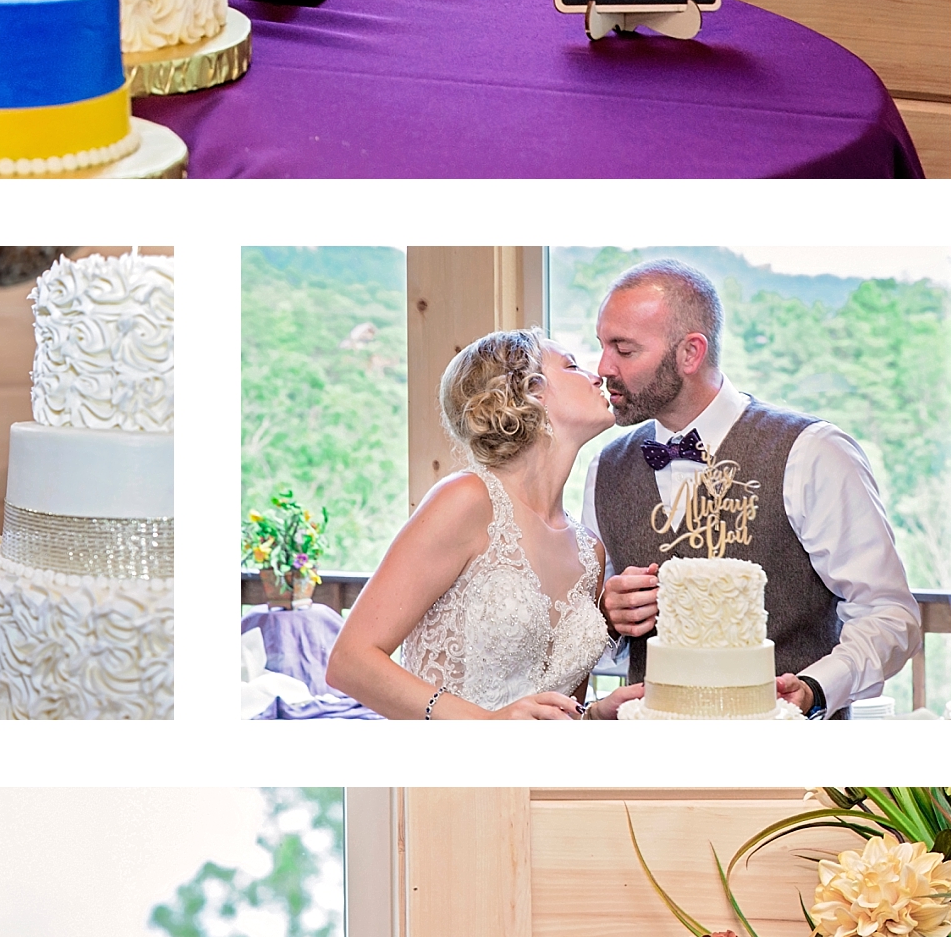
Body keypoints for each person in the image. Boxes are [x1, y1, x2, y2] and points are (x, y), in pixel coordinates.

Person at [589, 265, 918, 719]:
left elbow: (889, 615)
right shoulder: (605, 468)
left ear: (690, 353)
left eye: (623, 350)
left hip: (794, 768)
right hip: (655, 763)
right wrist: (608, 615)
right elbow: (589, 635)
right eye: (603, 346)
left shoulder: (813, 452)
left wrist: (815, 688)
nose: (604, 368)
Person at [327, 333, 617, 721]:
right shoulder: (466, 500)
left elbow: (552, 712)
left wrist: (595, 715)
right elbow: (349, 663)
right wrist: (486, 726)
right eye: (572, 366)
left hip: (544, 779)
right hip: (451, 773)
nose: (597, 375)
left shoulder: (589, 551)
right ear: (532, 391)